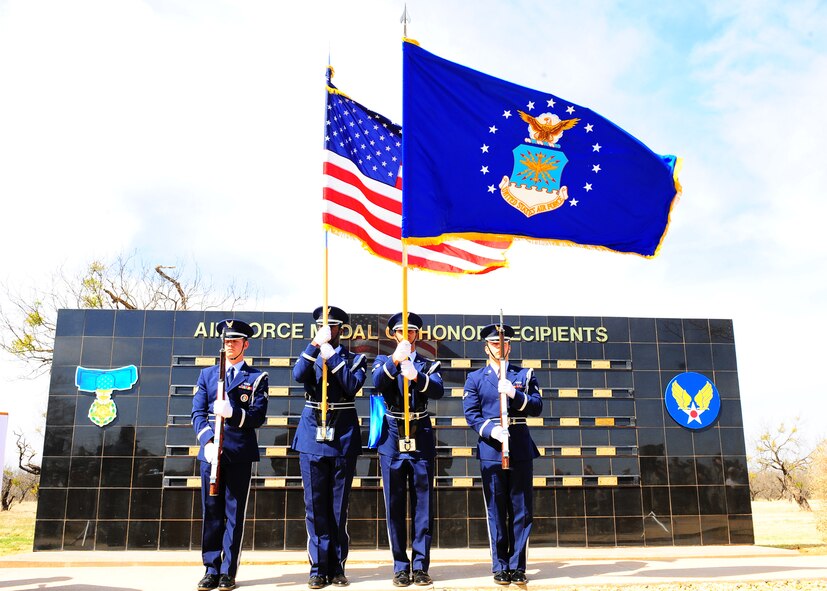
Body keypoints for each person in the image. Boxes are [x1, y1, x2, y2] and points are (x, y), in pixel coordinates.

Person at [292, 306, 367, 589]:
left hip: (343, 437)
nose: (327, 331)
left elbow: (350, 385)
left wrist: (333, 358)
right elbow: (299, 375)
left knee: (338, 508)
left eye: (333, 327)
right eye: (323, 326)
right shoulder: (310, 353)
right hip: (313, 436)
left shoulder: (356, 359)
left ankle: (336, 566)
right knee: (314, 507)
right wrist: (314, 346)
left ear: (341, 330)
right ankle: (317, 567)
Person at [191, 319, 269, 591]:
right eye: (227, 340)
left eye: (235, 340)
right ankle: (210, 568)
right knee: (211, 512)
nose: (230, 344)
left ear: (245, 345)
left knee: (234, 515)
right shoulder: (208, 375)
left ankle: (228, 571)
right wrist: (207, 442)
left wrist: (233, 413)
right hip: (211, 455)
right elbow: (197, 414)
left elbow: (257, 417)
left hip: (238, 454)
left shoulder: (256, 377)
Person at [462, 323, 542, 585]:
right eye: (495, 343)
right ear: (487, 347)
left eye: (504, 342)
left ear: (509, 346)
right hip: (491, 450)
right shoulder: (475, 378)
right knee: (496, 511)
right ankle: (500, 565)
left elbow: (537, 406)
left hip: (519, 447)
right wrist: (491, 431)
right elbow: (471, 415)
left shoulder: (524, 374)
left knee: (521, 510)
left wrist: (514, 395)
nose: (500, 346)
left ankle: (518, 566)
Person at [371, 312, 444, 587]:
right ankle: (401, 566)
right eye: (401, 331)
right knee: (395, 505)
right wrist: (394, 361)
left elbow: (437, 390)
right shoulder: (381, 361)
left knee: (423, 506)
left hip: (420, 433)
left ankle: (421, 566)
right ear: (394, 335)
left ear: (417, 335)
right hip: (392, 435)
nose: (407, 335)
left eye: (411, 331)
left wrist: (417, 376)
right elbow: (378, 382)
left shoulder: (429, 364)